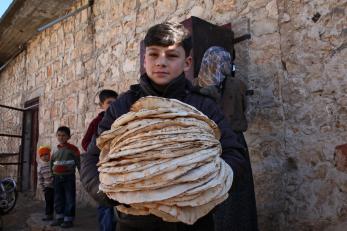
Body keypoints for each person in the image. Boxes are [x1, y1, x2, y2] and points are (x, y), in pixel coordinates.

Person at [80, 22, 246, 231]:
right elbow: (92, 156)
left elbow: (233, 153)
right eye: (154, 54)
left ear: (187, 62)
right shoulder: (123, 105)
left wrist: (210, 188)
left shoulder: (205, 105)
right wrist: (107, 192)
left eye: (171, 55)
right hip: (135, 223)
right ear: (144, 59)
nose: (161, 62)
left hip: (194, 223)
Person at [196, 46, 258, 231]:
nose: (226, 65)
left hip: (220, 143)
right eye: (224, 61)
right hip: (218, 144)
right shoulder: (234, 84)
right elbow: (245, 109)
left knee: (235, 191)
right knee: (224, 192)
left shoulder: (199, 85)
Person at [82, 89, 118, 231]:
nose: (113, 105)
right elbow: (85, 143)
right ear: (101, 105)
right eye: (109, 103)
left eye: (115, 103)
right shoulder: (97, 122)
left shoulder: (121, 118)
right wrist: (99, 152)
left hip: (117, 166)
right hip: (102, 168)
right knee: (105, 204)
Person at [50, 126, 80, 228]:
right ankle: (59, 217)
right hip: (57, 178)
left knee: (69, 198)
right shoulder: (54, 150)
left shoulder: (73, 149)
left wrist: (82, 174)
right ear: (56, 136)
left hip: (69, 178)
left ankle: (68, 219)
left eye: (63, 135)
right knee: (58, 198)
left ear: (68, 137)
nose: (61, 137)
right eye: (59, 135)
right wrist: (51, 176)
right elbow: (51, 163)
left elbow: (78, 163)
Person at [37, 145, 54, 221]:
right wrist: (42, 188)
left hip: (56, 186)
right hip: (47, 187)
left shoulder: (52, 164)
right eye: (42, 155)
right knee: (48, 202)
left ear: (49, 155)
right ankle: (48, 215)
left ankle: (59, 215)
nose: (44, 157)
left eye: (46, 154)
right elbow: (40, 179)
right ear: (40, 157)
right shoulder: (40, 167)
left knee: (57, 201)